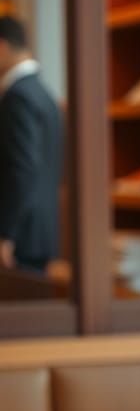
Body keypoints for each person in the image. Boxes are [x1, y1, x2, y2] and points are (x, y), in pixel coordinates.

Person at [0, 15, 63, 274]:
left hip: (19, 240)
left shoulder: (18, 97)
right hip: (37, 235)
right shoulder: (42, 93)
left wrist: (6, 234)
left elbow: (22, 168)